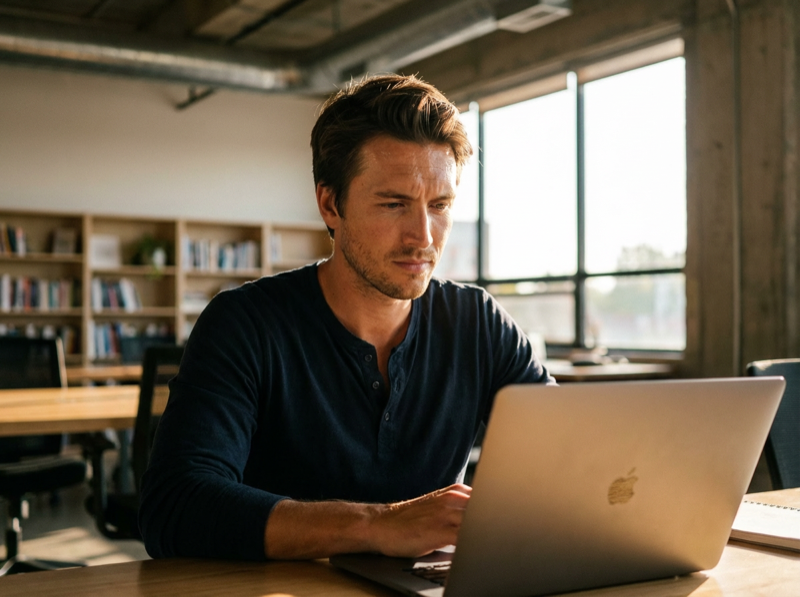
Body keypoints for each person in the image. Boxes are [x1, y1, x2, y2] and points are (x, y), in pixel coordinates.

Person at [139, 74, 553, 562]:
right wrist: (378, 525)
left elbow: (568, 457)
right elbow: (175, 508)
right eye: (394, 204)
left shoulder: (478, 323)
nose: (423, 236)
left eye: (439, 205)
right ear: (330, 205)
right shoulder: (245, 325)